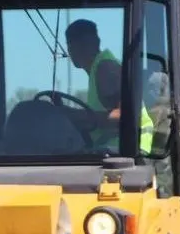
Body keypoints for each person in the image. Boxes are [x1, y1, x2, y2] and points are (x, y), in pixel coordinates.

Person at [65, 19, 154, 153]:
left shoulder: (105, 68)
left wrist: (77, 116)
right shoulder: (97, 70)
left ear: (96, 43)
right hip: (115, 149)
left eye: (80, 43)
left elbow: (126, 115)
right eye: (71, 44)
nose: (74, 49)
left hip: (131, 150)